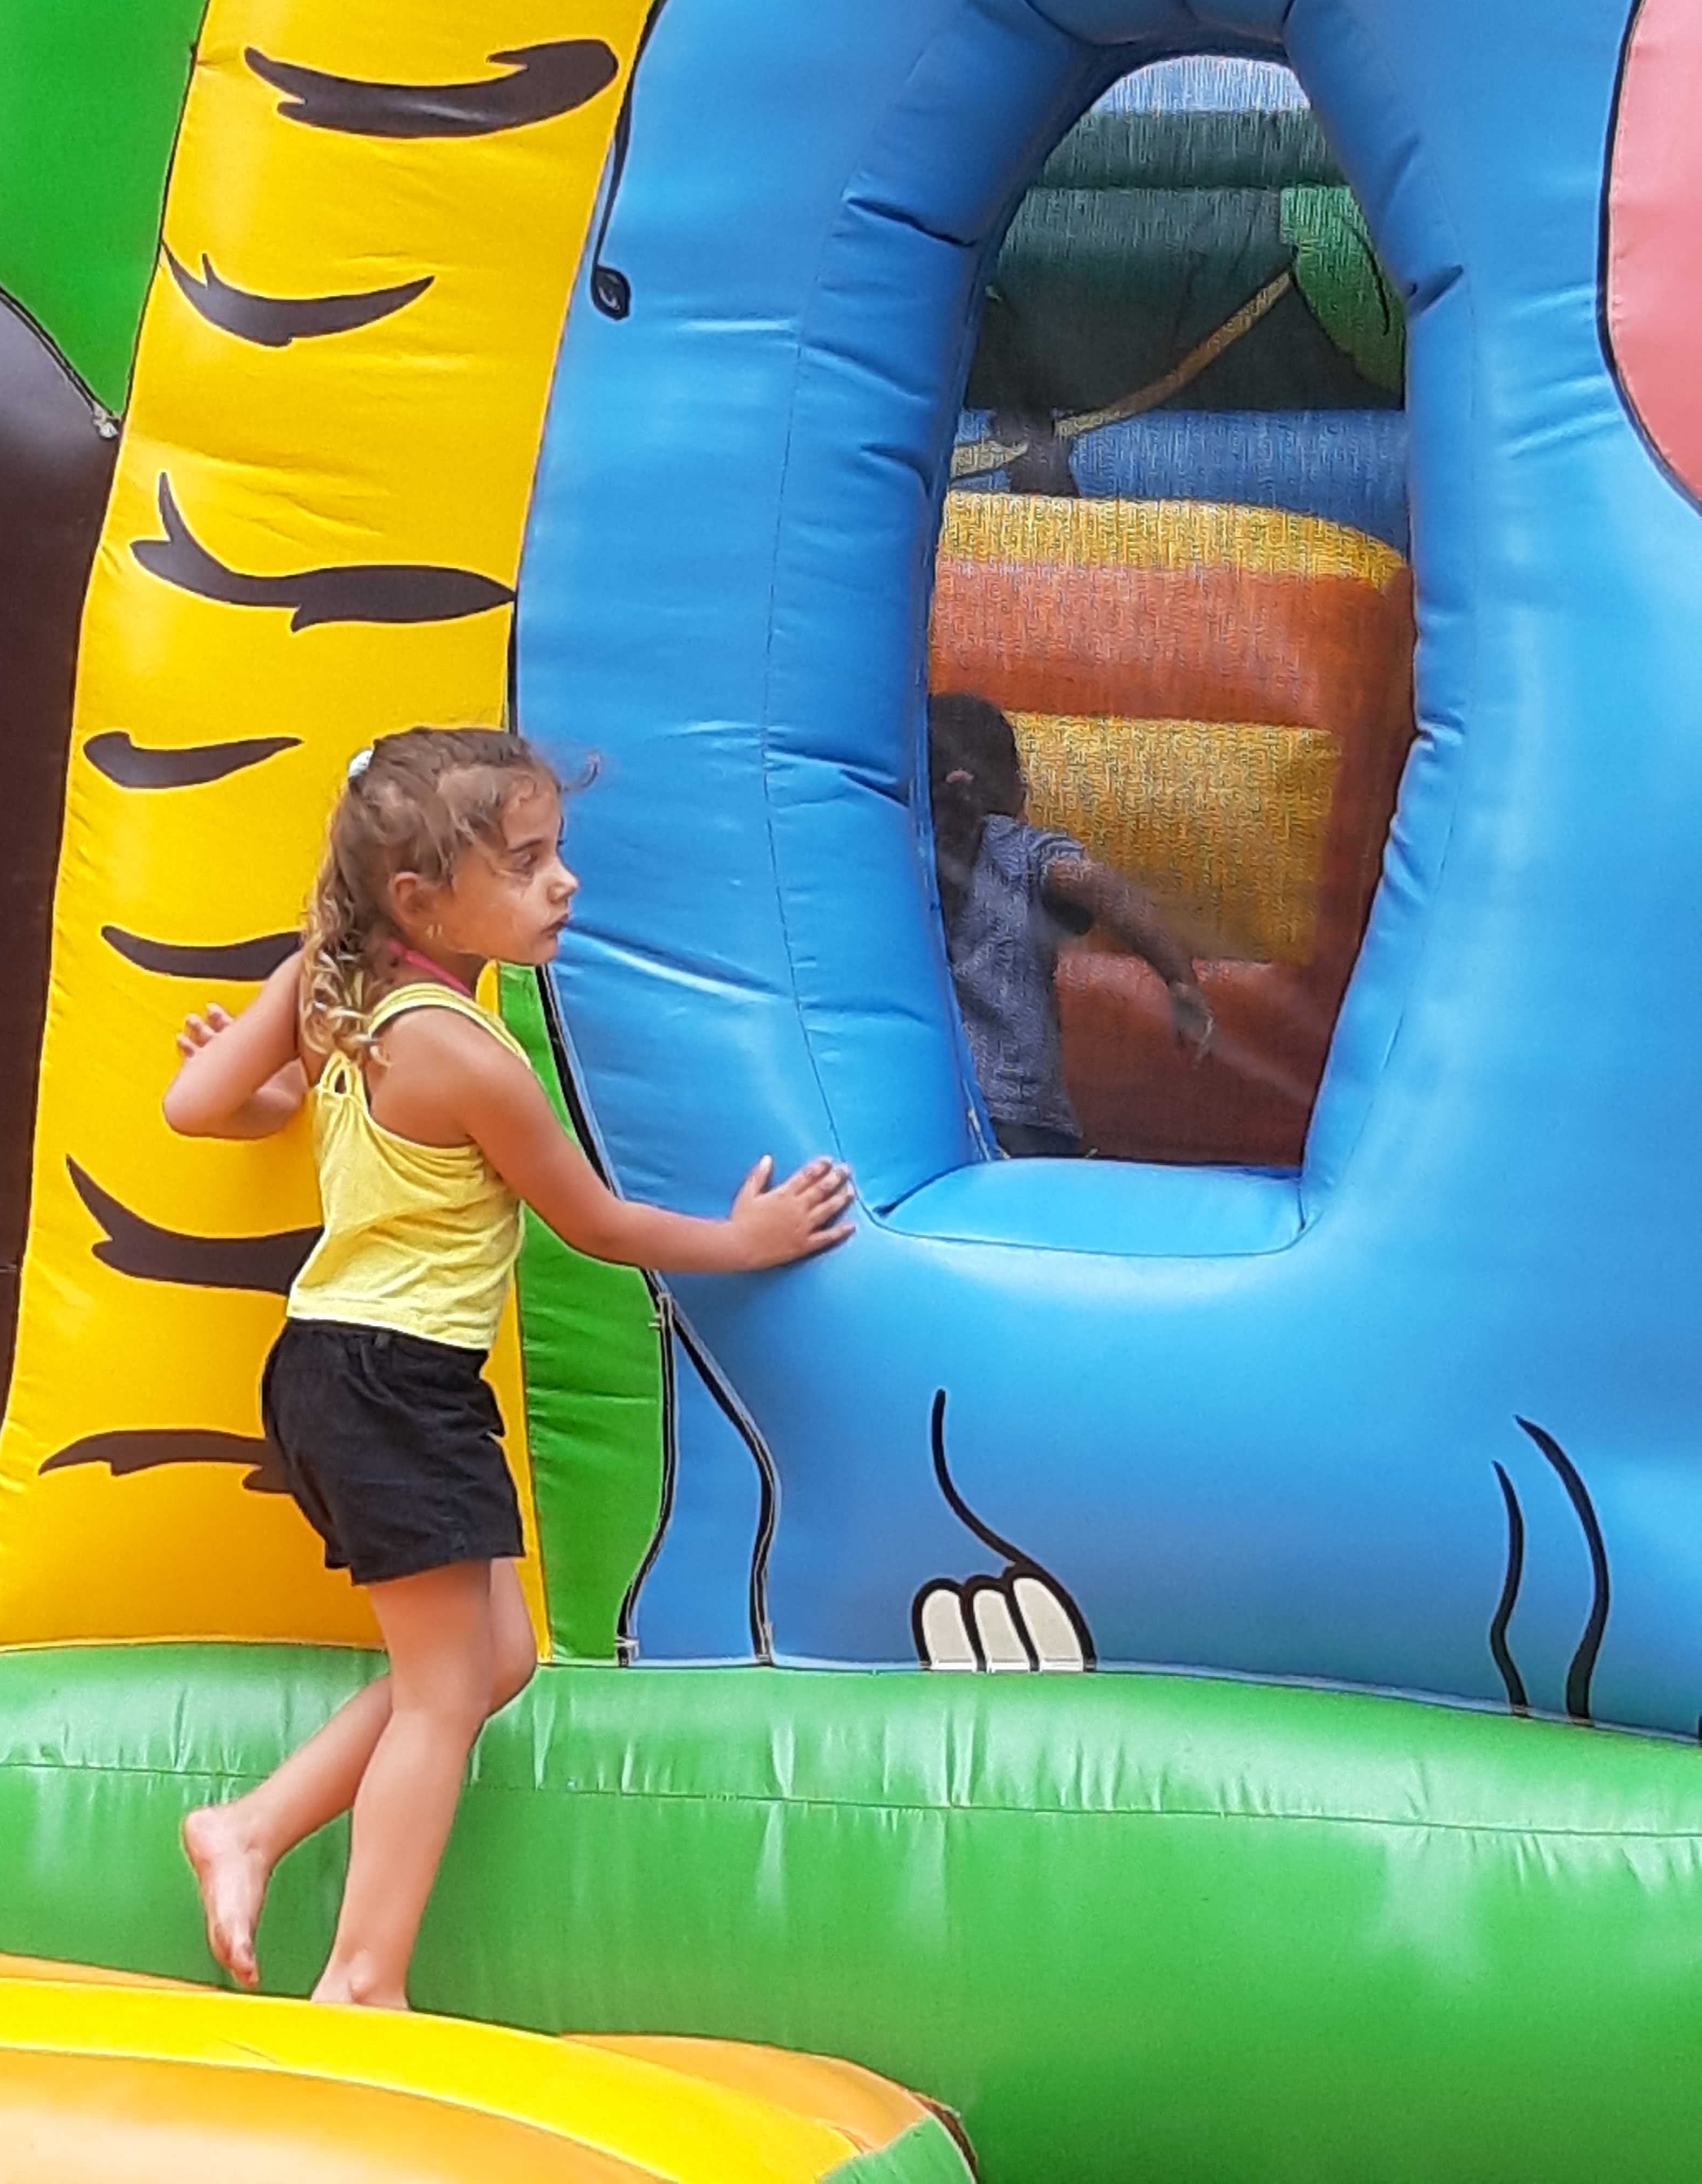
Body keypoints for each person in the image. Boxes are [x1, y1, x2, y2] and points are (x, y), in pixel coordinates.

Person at [162, 726, 856, 2008]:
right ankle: (362, 1976)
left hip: (334, 1368)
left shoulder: (333, 980)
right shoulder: (467, 1054)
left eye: (556, 852)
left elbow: (198, 1103)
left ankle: (251, 1826)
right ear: (421, 898)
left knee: (496, 1662)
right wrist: (745, 1240)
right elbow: (593, 1223)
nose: (563, 882)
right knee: (442, 1694)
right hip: (394, 1382)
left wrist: (287, 1097)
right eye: (527, 862)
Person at [927, 692, 1216, 1160]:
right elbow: (1096, 884)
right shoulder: (1022, 850)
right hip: (1020, 1115)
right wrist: (1180, 979)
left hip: (933, 1108)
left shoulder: (903, 853)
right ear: (1013, 786)